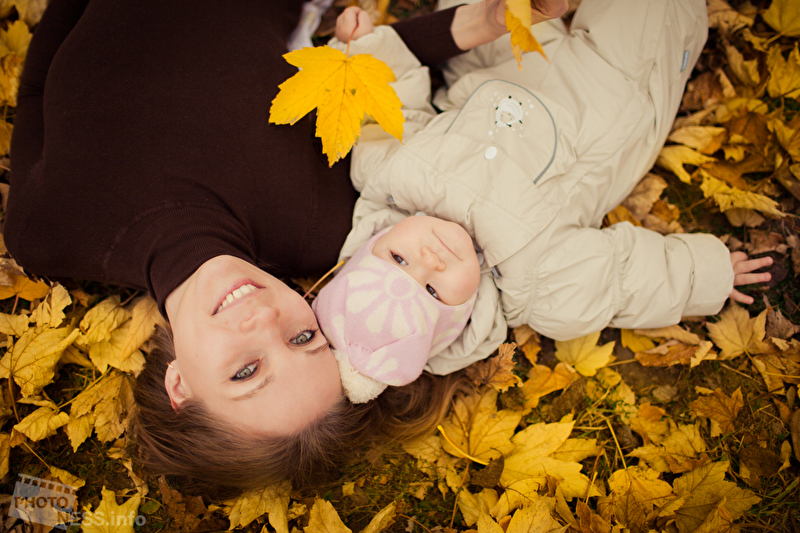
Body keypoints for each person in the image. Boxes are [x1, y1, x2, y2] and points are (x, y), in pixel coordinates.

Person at [3, 0, 569, 497]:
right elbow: (358, 76)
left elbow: (35, 89)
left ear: (181, 385)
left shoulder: (46, 233)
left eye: (246, 371)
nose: (267, 321)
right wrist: (492, 17)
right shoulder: (318, 223)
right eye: (304, 339)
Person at [311, 0, 774, 399]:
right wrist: (704, 275)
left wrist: (363, 47)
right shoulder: (540, 284)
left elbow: (389, 102)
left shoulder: (387, 172)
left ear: (372, 242)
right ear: (461, 320)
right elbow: (623, 277)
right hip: (606, 94)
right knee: (650, 16)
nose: (430, 259)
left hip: (499, 61)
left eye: (399, 259)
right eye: (433, 291)